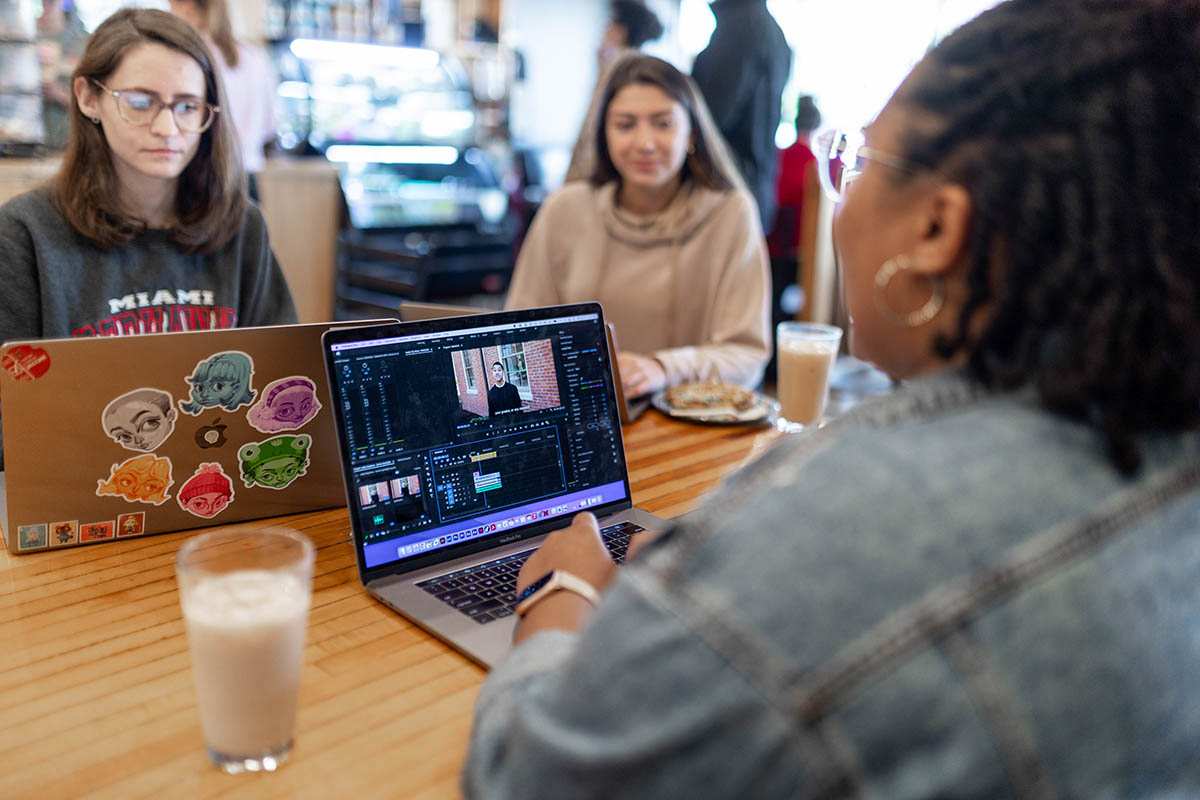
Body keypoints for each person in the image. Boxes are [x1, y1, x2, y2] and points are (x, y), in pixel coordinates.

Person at [464, 0, 1200, 796]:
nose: (836, 199)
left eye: (854, 162)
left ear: (937, 230)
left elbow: (527, 778)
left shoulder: (854, 523)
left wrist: (567, 590)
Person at [0, 8, 296, 468]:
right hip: (80, 492)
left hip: (221, 485)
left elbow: (283, 379)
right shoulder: (24, 232)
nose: (167, 128)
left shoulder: (242, 226)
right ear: (87, 98)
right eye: (140, 101)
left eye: (186, 106)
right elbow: (9, 425)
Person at [507, 54, 770, 398]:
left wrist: (662, 368)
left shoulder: (730, 214)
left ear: (691, 132)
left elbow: (747, 356)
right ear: (604, 134)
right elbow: (518, 335)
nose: (644, 142)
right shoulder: (564, 210)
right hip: (584, 419)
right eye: (625, 124)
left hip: (689, 426)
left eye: (663, 123)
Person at [691, 0, 791, 232]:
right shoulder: (771, 30)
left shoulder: (739, 28)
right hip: (753, 185)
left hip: (725, 185)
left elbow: (711, 118)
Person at [168, 0, 278, 193]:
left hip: (205, 175)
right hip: (247, 178)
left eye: (171, 9)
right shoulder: (255, 57)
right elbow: (270, 126)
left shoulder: (192, 58)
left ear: (187, 8)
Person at [598, 1, 664, 68]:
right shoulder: (616, 64)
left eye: (612, 22)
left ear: (623, 31)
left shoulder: (624, 70)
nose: (607, 28)